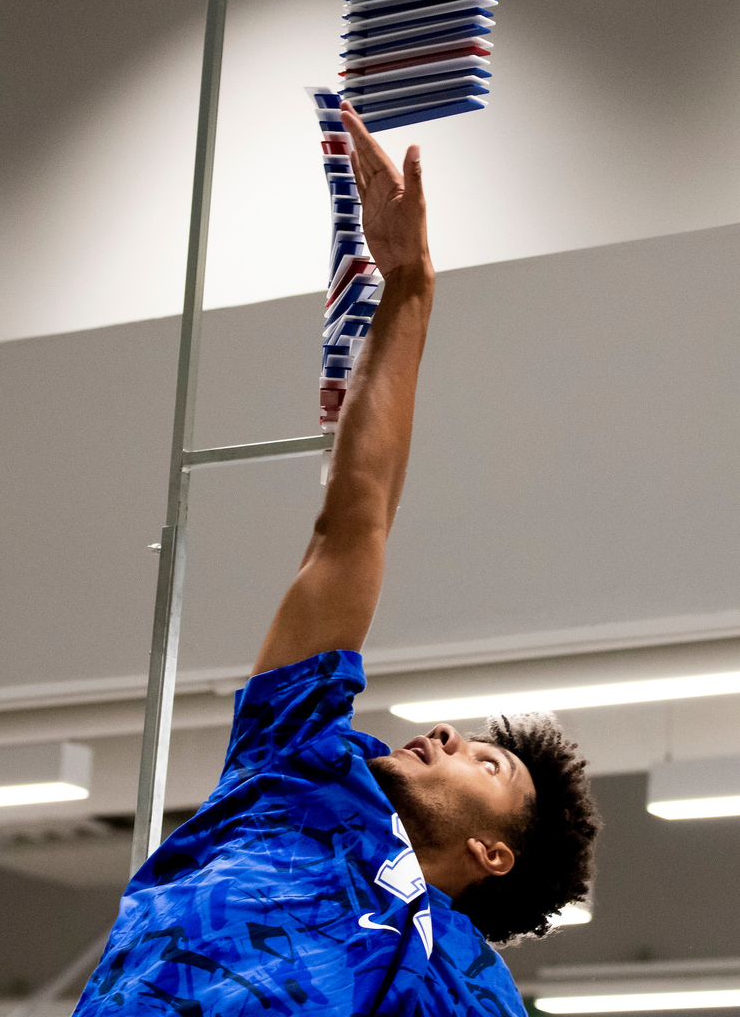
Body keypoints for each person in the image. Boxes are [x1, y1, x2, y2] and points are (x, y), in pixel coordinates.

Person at [75, 105, 600, 1017]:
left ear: (492, 855)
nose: (446, 736)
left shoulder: (463, 986)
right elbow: (350, 528)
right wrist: (409, 288)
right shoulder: (295, 764)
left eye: (484, 765)